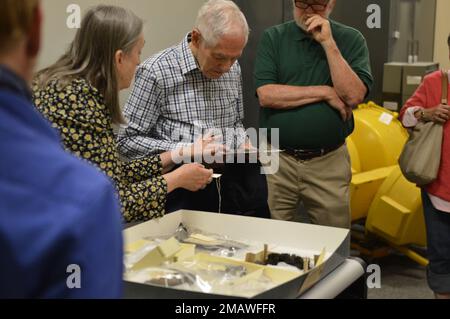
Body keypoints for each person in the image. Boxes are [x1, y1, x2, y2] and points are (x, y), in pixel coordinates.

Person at [33, 5, 214, 223]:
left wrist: (179, 153)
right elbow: (111, 201)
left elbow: (111, 173)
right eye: (138, 52)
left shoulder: (62, 86)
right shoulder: (79, 103)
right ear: (119, 58)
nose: (139, 62)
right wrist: (177, 179)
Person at [0, 0, 123, 298]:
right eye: (138, 52)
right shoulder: (81, 200)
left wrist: (168, 159)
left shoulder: (54, 83)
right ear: (36, 31)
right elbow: (109, 182)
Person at [117, 0, 270, 218]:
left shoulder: (232, 69)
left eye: (234, 58)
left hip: (230, 187)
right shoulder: (156, 72)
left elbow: (235, 122)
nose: (226, 67)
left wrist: (241, 142)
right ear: (197, 38)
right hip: (181, 189)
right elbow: (126, 142)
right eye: (219, 57)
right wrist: (186, 149)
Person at [254, 0, 373, 228]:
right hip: (277, 158)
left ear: (331, 4)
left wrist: (328, 44)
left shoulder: (351, 39)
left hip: (328, 160)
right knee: (269, 235)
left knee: (334, 238)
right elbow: (267, 95)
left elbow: (354, 95)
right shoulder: (274, 37)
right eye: (302, 3)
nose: (308, 11)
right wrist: (324, 92)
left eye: (317, 4)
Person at [399, 35, 450, 299]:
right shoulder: (435, 82)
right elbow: (406, 116)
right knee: (441, 262)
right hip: (440, 190)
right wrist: (427, 112)